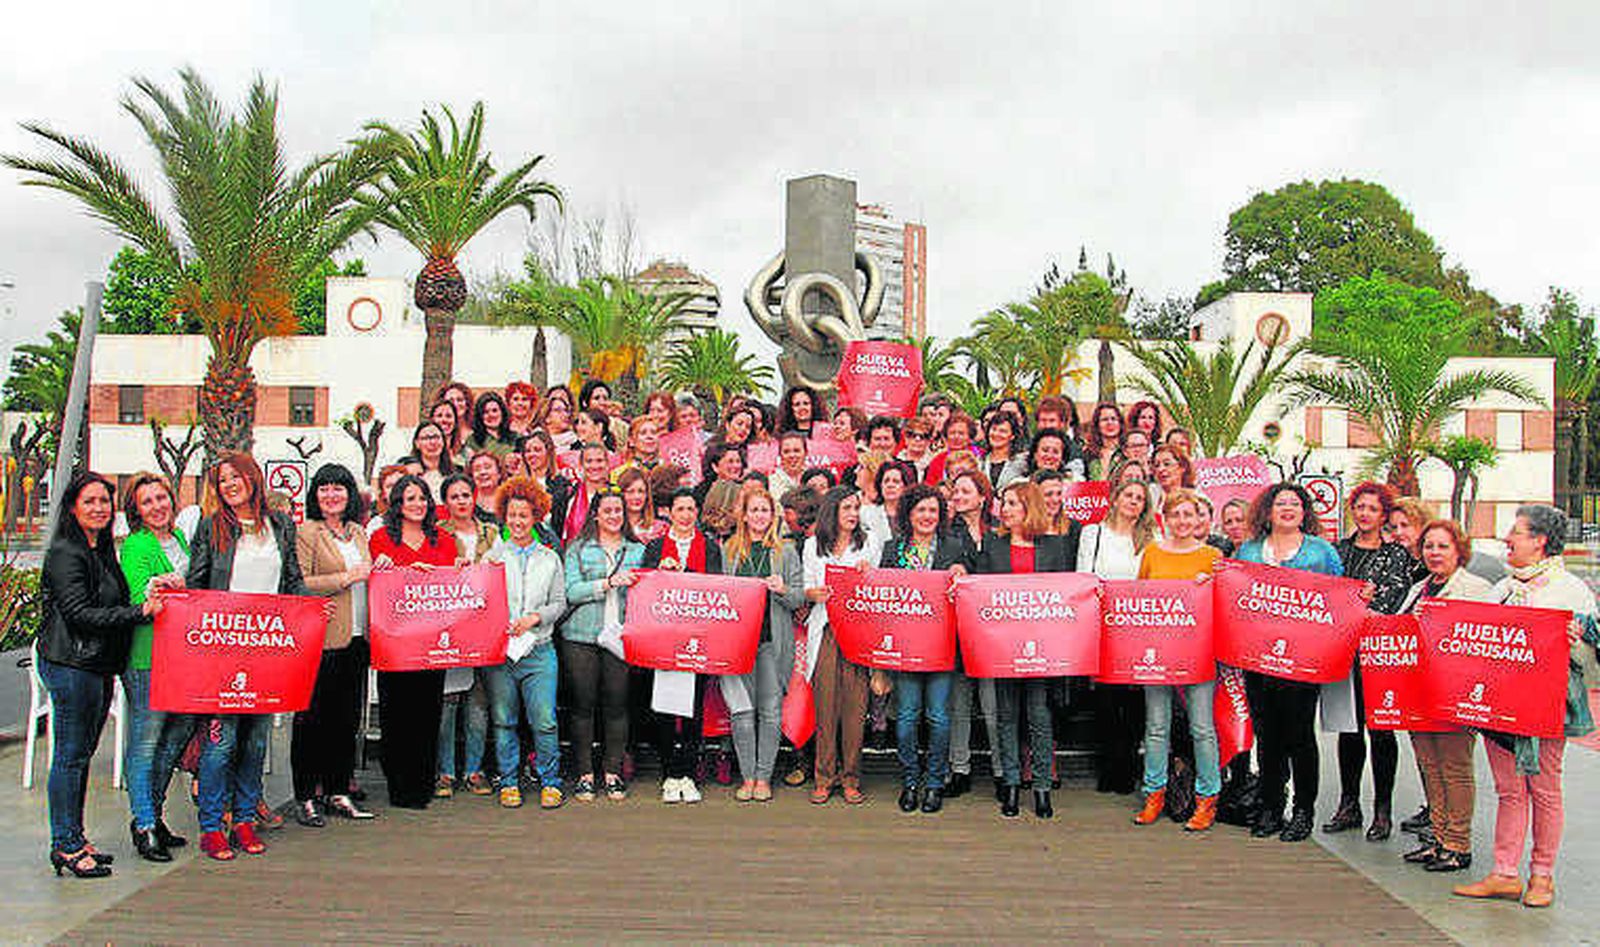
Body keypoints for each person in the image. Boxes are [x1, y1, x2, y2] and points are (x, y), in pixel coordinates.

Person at [1454, 504, 1598, 908]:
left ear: (1539, 541)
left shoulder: (1570, 589)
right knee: (1509, 789)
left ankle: (1542, 876)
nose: (1507, 539)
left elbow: (1591, 647)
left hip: (1548, 704)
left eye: (1515, 532)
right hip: (1500, 702)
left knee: (1545, 787)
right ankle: (1504, 872)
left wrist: (1580, 634)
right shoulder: (1503, 588)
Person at [186, 454, 316, 860]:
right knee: (221, 743)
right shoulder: (211, 528)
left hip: (267, 651)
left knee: (256, 742)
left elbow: (292, 578)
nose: (229, 484)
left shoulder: (280, 525)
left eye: (235, 476)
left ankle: (244, 818)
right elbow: (197, 584)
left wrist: (309, 608)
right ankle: (212, 826)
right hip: (222, 650)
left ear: (252, 478)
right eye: (221, 480)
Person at [39, 471, 164, 878]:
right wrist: (139, 612)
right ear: (73, 507)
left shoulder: (102, 549)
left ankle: (75, 837)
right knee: (70, 757)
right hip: (71, 664)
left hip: (95, 666)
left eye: (104, 501)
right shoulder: (65, 552)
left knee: (81, 755)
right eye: (89, 501)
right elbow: (80, 614)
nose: (98, 508)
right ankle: (67, 845)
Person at [1234, 482, 1343, 842]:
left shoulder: (1320, 552)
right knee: (1267, 736)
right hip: (1258, 659)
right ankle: (1270, 805)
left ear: (1304, 512)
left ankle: (1303, 810)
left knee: (1299, 736)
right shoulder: (1248, 551)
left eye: (1294, 504)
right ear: (1267, 511)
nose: (1287, 509)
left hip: (1303, 661)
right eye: (1280, 503)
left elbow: (1340, 597)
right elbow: (1234, 594)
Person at [976, 480, 1081, 819]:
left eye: (1012, 503)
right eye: (1003, 503)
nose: (1004, 509)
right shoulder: (992, 545)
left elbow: (1066, 594)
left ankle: (1041, 788)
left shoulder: (1054, 547)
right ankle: (1009, 785)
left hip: (1043, 649)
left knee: (1039, 716)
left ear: (1028, 507)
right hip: (1003, 649)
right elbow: (980, 593)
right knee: (1006, 717)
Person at [1395, 519, 1491, 874]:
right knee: (1429, 765)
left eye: (1442, 547)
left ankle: (1458, 843)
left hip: (1456, 692)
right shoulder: (1419, 588)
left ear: (1458, 550)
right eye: (1429, 547)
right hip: (1418, 689)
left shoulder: (1476, 588)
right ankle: (1437, 837)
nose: (1435, 554)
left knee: (1455, 767)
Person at [1326, 482, 1417, 842]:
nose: (1365, 513)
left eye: (1372, 509)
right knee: (1349, 728)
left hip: (1379, 655)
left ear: (1383, 516)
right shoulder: (1338, 550)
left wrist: (1363, 604)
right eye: (1360, 507)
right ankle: (1349, 803)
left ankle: (1383, 809)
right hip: (1342, 653)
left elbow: (1394, 600)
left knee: (1381, 730)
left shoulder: (1395, 554)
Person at [1133, 489, 1224, 831]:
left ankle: (1207, 798)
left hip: (1199, 651)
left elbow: (1224, 601)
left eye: (1189, 515)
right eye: (1176, 515)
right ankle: (1154, 793)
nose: (1182, 521)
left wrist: (1212, 584)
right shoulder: (1153, 552)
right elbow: (1139, 597)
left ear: (1199, 519)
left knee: (1202, 728)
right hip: (1157, 651)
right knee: (1156, 728)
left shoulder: (1213, 555)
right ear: (1165, 519)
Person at [291, 463, 376, 827]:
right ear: (315, 494)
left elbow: (370, 574)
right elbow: (301, 581)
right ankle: (306, 795)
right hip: (322, 639)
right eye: (324, 488)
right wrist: (345, 577)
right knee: (312, 719)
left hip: (357, 637)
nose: (331, 495)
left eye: (338, 488)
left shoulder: (358, 531)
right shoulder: (308, 531)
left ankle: (338, 790)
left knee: (345, 720)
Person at [879, 484, 973, 813]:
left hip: (941, 647)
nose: (927, 516)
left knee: (938, 718)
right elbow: (881, 598)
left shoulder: (954, 546)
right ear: (908, 514)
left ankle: (935, 782)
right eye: (921, 510)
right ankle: (911, 779)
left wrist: (963, 573)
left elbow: (970, 590)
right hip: (904, 648)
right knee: (905, 719)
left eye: (933, 510)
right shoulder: (893, 549)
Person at [116, 472, 195, 862]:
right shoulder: (136, 545)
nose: (157, 506)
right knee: (146, 741)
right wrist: (161, 588)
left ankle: (152, 812)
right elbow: (136, 596)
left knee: (178, 732)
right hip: (147, 658)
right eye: (147, 502)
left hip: (181, 655)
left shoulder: (179, 539)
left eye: (161, 498)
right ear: (136, 510)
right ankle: (144, 823)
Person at [369, 474, 459, 810]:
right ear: (398, 504)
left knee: (427, 714)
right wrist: (391, 569)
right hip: (394, 643)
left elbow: (453, 585)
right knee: (396, 715)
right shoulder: (380, 539)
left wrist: (460, 570)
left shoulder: (444, 541)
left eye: (422, 498)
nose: (418, 505)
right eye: (410, 499)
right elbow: (379, 581)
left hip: (431, 643)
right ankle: (398, 784)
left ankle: (422, 783)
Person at [481, 477, 567, 809]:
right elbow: (480, 598)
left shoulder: (549, 558)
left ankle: (550, 781)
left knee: (544, 719)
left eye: (524, 516)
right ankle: (508, 781)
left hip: (539, 650)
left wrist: (535, 617)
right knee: (503, 719)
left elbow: (559, 603)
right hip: (501, 653)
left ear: (536, 518)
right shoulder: (492, 558)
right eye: (512, 515)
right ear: (504, 516)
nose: (517, 522)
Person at [719, 484, 805, 802]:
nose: (759, 515)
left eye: (765, 510)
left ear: (773, 516)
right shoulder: (729, 550)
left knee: (770, 711)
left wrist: (782, 589)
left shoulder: (785, 551)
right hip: (737, 645)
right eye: (753, 510)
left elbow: (798, 598)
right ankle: (748, 776)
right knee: (741, 712)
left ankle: (764, 777)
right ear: (744, 514)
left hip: (772, 641)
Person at [642, 488, 724, 803]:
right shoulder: (654, 547)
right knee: (663, 705)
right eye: (680, 509)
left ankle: (688, 773)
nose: (686, 515)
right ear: (670, 513)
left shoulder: (711, 548)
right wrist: (660, 574)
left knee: (693, 707)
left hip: (698, 637)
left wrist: (685, 574)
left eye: (691, 509)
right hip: (664, 637)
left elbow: (715, 588)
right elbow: (645, 588)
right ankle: (669, 773)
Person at [562, 489, 644, 802]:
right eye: (607, 511)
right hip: (581, 636)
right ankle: (585, 774)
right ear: (595, 514)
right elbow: (570, 591)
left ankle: (612, 773)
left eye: (618, 511)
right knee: (582, 705)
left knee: (617, 705)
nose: (613, 516)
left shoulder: (637, 550)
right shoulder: (578, 549)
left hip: (620, 638)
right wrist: (607, 583)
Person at [803, 485, 883, 804]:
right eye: (847, 508)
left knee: (855, 707)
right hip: (825, 629)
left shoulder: (869, 542)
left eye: (856, 508)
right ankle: (824, 776)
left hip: (857, 632)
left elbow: (879, 586)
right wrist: (814, 594)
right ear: (833, 511)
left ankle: (851, 777)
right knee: (825, 706)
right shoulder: (812, 545)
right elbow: (807, 587)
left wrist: (868, 574)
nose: (852, 514)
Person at [1079, 479, 1156, 795]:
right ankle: (1109, 766)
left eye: (1140, 498)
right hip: (1103, 627)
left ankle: (1127, 766)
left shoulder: (1153, 538)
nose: (1133, 501)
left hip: (1139, 629)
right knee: (1107, 700)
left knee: (1135, 701)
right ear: (1115, 498)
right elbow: (1083, 575)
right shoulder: (1092, 533)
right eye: (1129, 495)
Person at [435, 473, 498, 797]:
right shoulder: (437, 534)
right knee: (447, 703)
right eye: (454, 496)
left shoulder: (492, 531)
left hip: (485, 624)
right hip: (451, 626)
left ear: (474, 497)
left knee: (478, 701)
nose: (461, 501)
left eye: (465, 495)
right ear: (445, 503)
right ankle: (445, 772)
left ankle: (474, 770)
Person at [945, 468, 998, 797]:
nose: (959, 496)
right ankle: (959, 769)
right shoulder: (946, 533)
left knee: (994, 708)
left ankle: (1001, 769)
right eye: (955, 492)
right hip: (957, 631)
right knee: (959, 705)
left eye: (966, 491)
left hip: (992, 634)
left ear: (982, 496)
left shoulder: (1000, 529)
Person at [861, 460, 913, 547]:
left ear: (906, 486)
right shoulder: (866, 513)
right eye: (886, 481)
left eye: (896, 481)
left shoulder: (914, 514)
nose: (890, 485)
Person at [409, 420, 457, 496]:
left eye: (436, 437)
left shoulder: (455, 472)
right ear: (417, 443)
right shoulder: (410, 474)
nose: (432, 442)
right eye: (426, 438)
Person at [981, 412, 1027, 489]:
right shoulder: (980, 461)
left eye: (1003, 431)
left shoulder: (1023, 462)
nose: (996, 434)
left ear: (1012, 436)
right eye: (994, 429)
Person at [617, 466, 663, 543]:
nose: (637, 496)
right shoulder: (613, 527)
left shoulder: (660, 529)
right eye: (630, 491)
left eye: (641, 491)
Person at [1084, 402, 1124, 478]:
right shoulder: (1089, 454)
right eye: (1105, 419)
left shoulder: (1126, 452)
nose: (1110, 423)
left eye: (1113, 419)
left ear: (1120, 423)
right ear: (1097, 425)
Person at [469, 391, 516, 456]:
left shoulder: (516, 438)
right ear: (480, 416)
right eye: (485, 412)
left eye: (494, 410)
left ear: (502, 412)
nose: (491, 415)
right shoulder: (472, 440)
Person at [466, 451, 504, 524]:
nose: (482, 472)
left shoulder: (510, 499)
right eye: (477, 469)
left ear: (499, 473)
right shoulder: (467, 503)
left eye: (487, 467)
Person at [429, 400, 468, 467]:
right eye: (439, 416)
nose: (444, 420)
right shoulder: (424, 451)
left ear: (455, 421)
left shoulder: (465, 453)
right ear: (432, 420)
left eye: (448, 416)